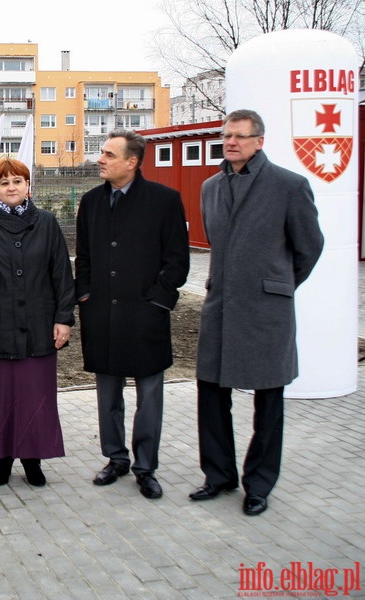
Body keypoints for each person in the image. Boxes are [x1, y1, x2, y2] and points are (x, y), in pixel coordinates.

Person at [191, 109, 323, 516]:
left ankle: (259, 484)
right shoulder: (211, 187)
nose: (231, 142)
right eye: (227, 135)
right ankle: (219, 475)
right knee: (211, 395)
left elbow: (309, 247)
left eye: (241, 137)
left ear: (259, 141)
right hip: (220, 309)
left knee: (268, 399)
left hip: (267, 312)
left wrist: (278, 284)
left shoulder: (289, 185)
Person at [75, 129, 190, 500]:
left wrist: (156, 301)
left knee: (149, 395)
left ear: (132, 162)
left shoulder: (164, 200)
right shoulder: (91, 201)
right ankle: (115, 458)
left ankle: (145, 467)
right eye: (102, 153)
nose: (100, 159)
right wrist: (86, 295)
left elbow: (177, 261)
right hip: (102, 316)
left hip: (145, 317)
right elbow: (86, 256)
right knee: (107, 395)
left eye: (108, 154)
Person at [0, 158, 75, 487]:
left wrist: (64, 319)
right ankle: (2, 459)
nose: (12, 188)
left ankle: (33, 459)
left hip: (40, 327)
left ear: (28, 185)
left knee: (35, 398)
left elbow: (62, 276)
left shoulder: (48, 223)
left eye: (17, 181)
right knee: (0, 397)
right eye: (4, 183)